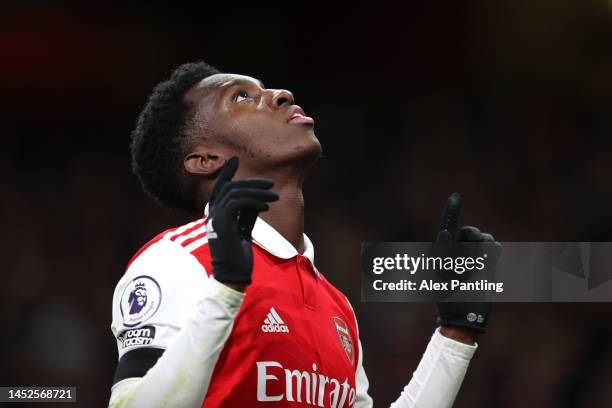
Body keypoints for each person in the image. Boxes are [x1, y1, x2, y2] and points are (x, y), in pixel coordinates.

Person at [108, 61, 495, 407]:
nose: (282, 95)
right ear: (207, 159)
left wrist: (455, 334)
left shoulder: (336, 306)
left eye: (267, 89)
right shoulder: (177, 261)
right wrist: (225, 291)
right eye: (242, 97)